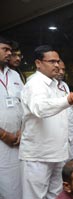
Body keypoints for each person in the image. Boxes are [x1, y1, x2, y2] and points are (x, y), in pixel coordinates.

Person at [19, 45, 73, 199]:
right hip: (39, 155)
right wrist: (71, 98)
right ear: (38, 63)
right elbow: (40, 108)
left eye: (57, 61)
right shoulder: (34, 84)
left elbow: (65, 116)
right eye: (51, 62)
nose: (57, 65)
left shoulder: (58, 85)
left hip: (59, 153)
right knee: (35, 196)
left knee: (57, 195)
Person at [0, 36, 23, 199]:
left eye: (10, 50)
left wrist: (23, 130)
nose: (9, 53)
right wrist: (4, 134)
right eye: (5, 50)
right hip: (2, 141)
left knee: (19, 183)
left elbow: (25, 105)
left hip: (18, 140)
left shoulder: (14, 75)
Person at [56, 60, 73, 160]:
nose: (61, 72)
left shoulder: (64, 85)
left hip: (70, 131)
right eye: (58, 69)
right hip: (57, 134)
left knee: (71, 162)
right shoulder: (45, 85)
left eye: (63, 69)